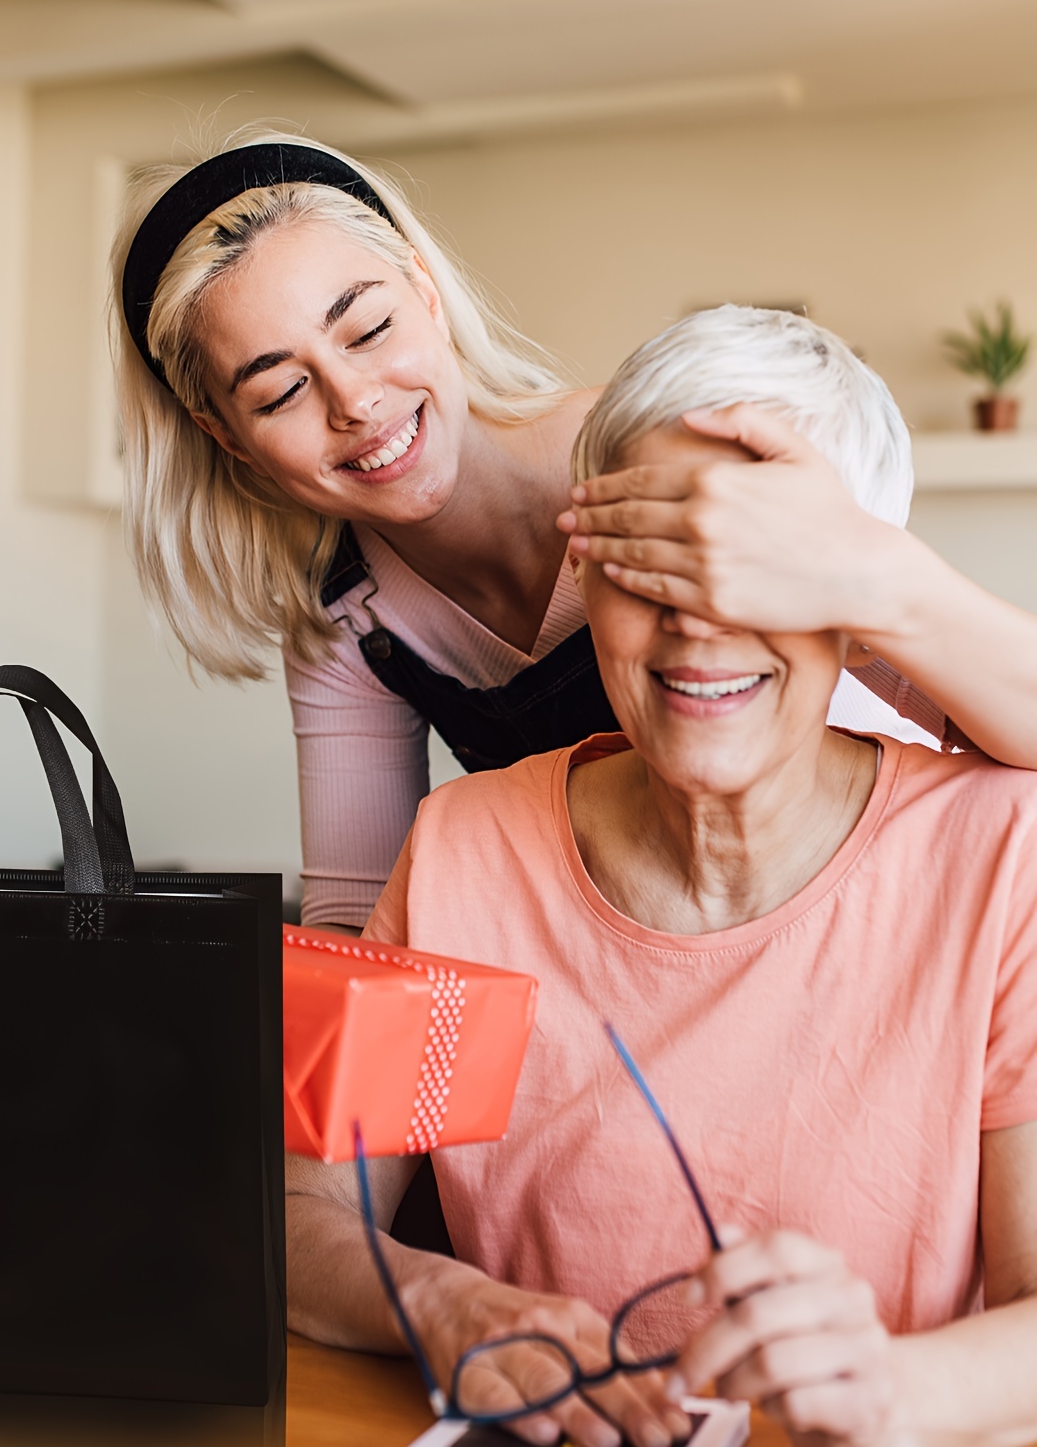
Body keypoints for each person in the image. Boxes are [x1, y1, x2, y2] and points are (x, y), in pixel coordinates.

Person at [285, 309, 1037, 1447]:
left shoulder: (1001, 851)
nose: (697, 627)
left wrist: (892, 1389)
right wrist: (446, 1302)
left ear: (861, 608)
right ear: (587, 569)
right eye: (651, 563)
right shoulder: (459, 850)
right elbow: (298, 1220)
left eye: (757, 575)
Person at [112, 130, 1037, 932]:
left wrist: (862, 570)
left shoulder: (669, 459)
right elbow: (364, 919)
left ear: (426, 293)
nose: (355, 402)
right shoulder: (352, 620)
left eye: (369, 329)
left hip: (871, 908)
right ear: (226, 436)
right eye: (280, 391)